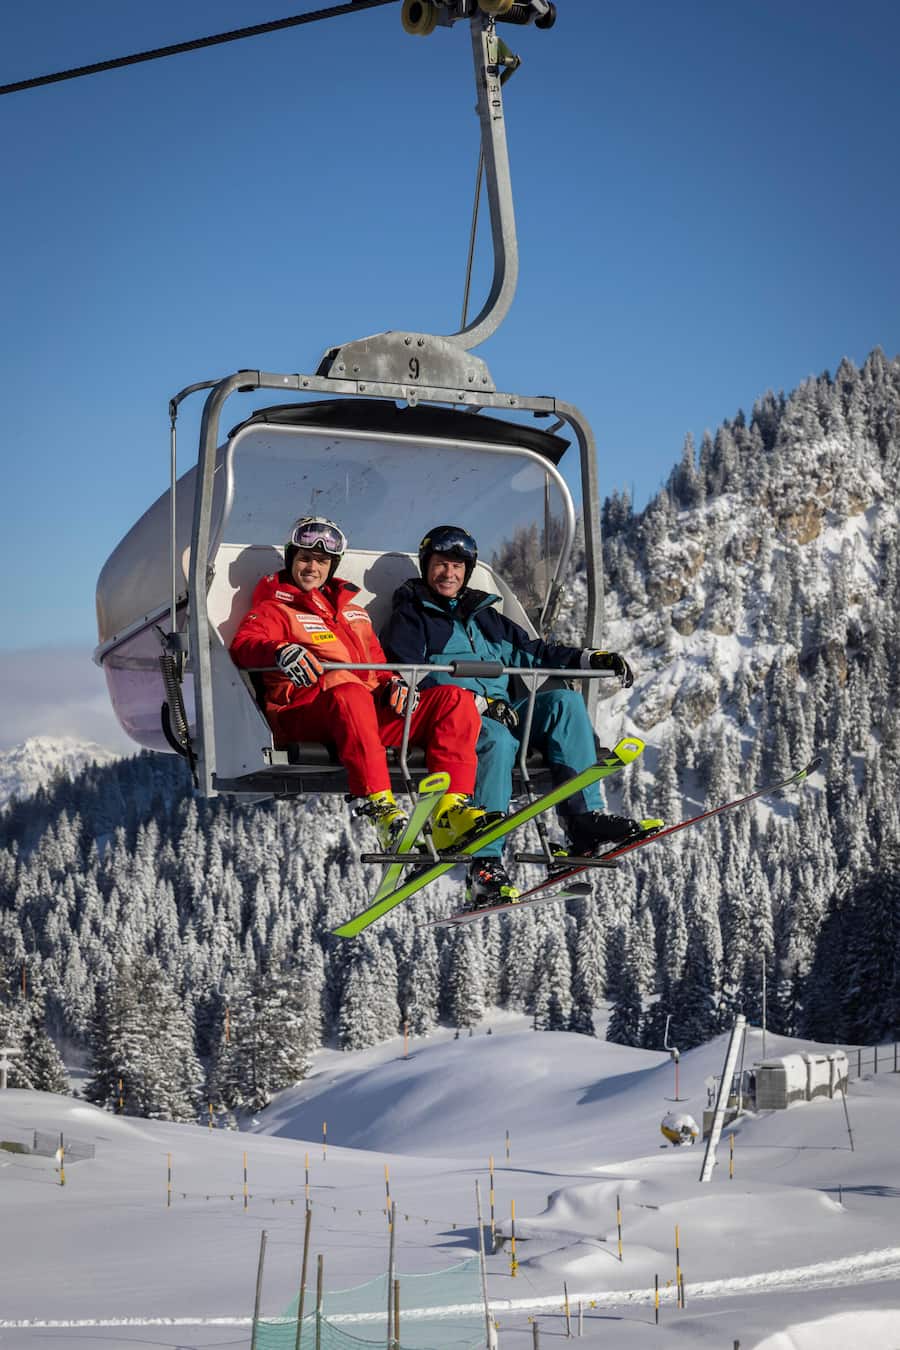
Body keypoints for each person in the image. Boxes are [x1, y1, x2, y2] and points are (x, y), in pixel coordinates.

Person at [382, 524, 658, 908]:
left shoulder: (486, 617)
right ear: (427, 567)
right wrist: (478, 704)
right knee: (496, 738)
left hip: (504, 709)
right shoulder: (413, 617)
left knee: (565, 703)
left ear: (468, 569)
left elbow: (535, 652)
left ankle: (584, 820)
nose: (449, 574)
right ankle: (486, 860)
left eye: (458, 566)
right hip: (457, 719)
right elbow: (409, 676)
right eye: (441, 565)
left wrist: (590, 657)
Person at [230, 515, 486, 854]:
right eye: (305, 559)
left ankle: (448, 809)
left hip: (362, 715)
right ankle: (381, 808)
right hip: (305, 714)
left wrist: (394, 684)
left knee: (454, 699)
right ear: (292, 559)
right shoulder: (274, 608)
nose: (312, 568)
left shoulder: (354, 614)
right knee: (349, 691)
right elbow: (243, 645)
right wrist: (279, 650)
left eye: (321, 561)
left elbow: (379, 667)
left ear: (332, 566)